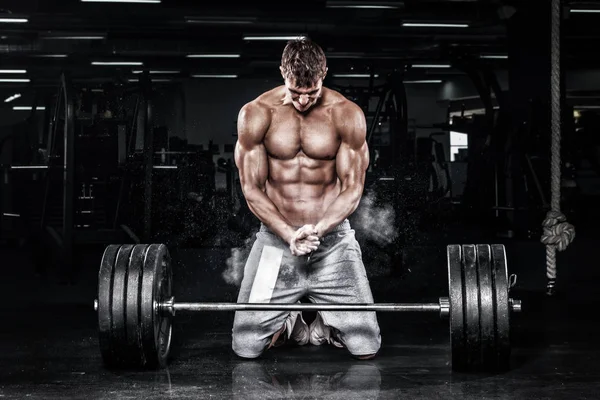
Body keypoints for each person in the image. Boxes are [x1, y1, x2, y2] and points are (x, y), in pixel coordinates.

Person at [232, 38, 381, 360]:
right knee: (245, 347)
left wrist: (319, 230)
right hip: (275, 243)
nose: (302, 100)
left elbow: (352, 188)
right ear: (283, 73)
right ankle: (292, 322)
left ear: (324, 73)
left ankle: (327, 323)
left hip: (334, 244)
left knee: (366, 347)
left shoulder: (346, 114)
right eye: (295, 91)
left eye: (310, 93)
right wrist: (289, 235)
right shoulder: (256, 114)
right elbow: (252, 188)